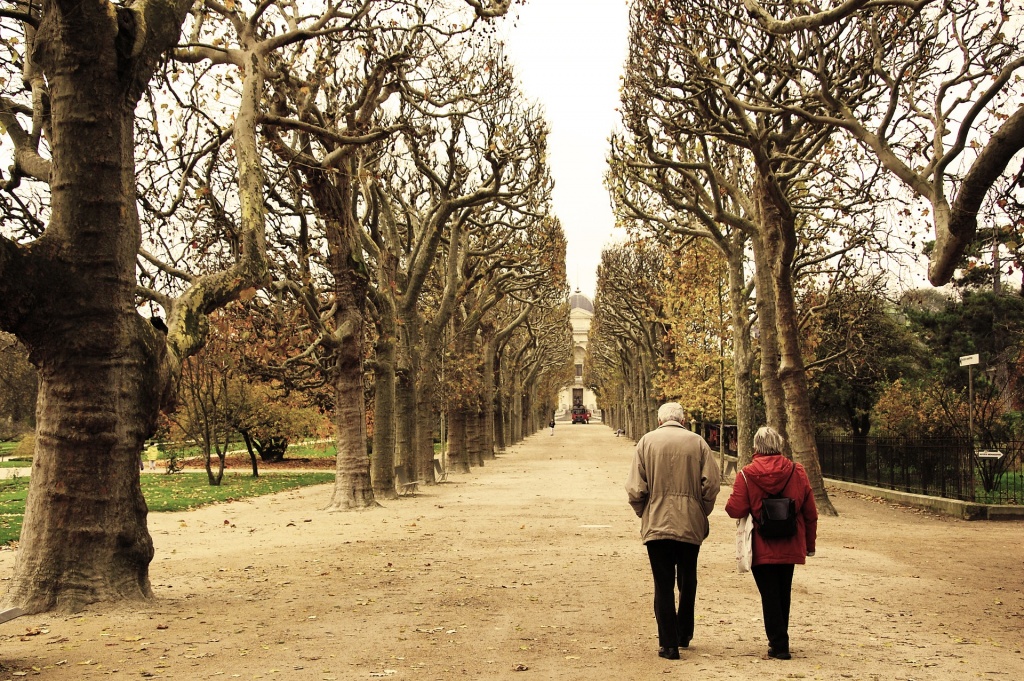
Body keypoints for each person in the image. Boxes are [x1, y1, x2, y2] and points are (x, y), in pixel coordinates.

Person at [625, 402, 721, 660]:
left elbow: (635, 488)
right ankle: (684, 633)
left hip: (656, 521)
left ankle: (668, 645)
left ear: (659, 421)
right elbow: (711, 484)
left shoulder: (646, 442)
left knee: (662, 584)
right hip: (690, 522)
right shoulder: (698, 443)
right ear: (683, 419)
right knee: (688, 579)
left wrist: (644, 511)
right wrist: (701, 510)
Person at [725, 426, 818, 661]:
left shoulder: (747, 474)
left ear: (756, 447)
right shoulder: (797, 471)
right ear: (779, 445)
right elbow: (810, 512)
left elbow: (735, 509)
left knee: (769, 593)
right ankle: (780, 641)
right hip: (790, 540)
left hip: (761, 542)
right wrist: (810, 544)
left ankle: (779, 644)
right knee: (783, 591)